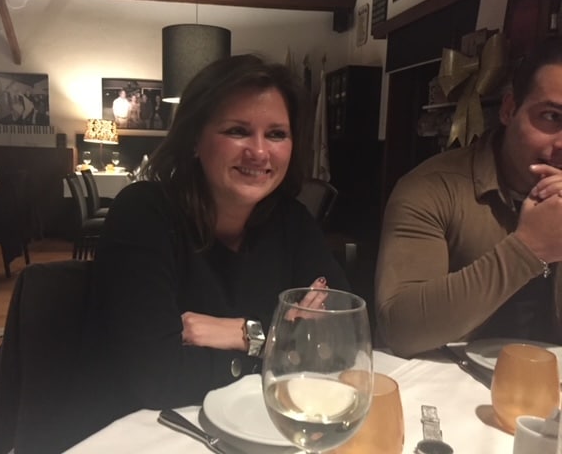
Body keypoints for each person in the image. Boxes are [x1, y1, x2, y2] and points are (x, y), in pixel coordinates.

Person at [89, 54, 350, 426]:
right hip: (151, 431)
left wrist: (246, 335)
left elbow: (343, 340)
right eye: (237, 131)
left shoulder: (292, 221)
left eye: (276, 134)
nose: (259, 152)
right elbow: (157, 377)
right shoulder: (144, 213)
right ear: (195, 139)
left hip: (261, 425)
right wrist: (286, 341)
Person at [375, 37, 562, 358]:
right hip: (448, 382)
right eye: (552, 117)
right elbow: (400, 327)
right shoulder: (433, 187)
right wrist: (529, 249)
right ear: (509, 109)